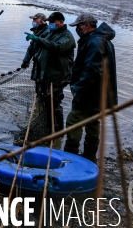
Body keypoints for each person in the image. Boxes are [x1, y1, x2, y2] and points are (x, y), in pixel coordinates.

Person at [63, 13, 117, 162]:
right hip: (100, 94)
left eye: (79, 26)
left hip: (89, 93)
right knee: (93, 123)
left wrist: (78, 89)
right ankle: (90, 157)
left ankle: (69, 156)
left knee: (73, 121)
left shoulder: (94, 42)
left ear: (86, 26)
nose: (78, 29)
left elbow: (92, 70)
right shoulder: (101, 40)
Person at [24, 11, 75, 134]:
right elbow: (38, 47)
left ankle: (56, 132)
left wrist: (38, 39)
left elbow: (57, 47)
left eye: (53, 22)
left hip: (56, 77)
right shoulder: (52, 33)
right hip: (45, 75)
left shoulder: (67, 36)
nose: (50, 24)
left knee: (54, 105)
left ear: (61, 22)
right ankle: (46, 127)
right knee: (44, 101)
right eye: (49, 22)